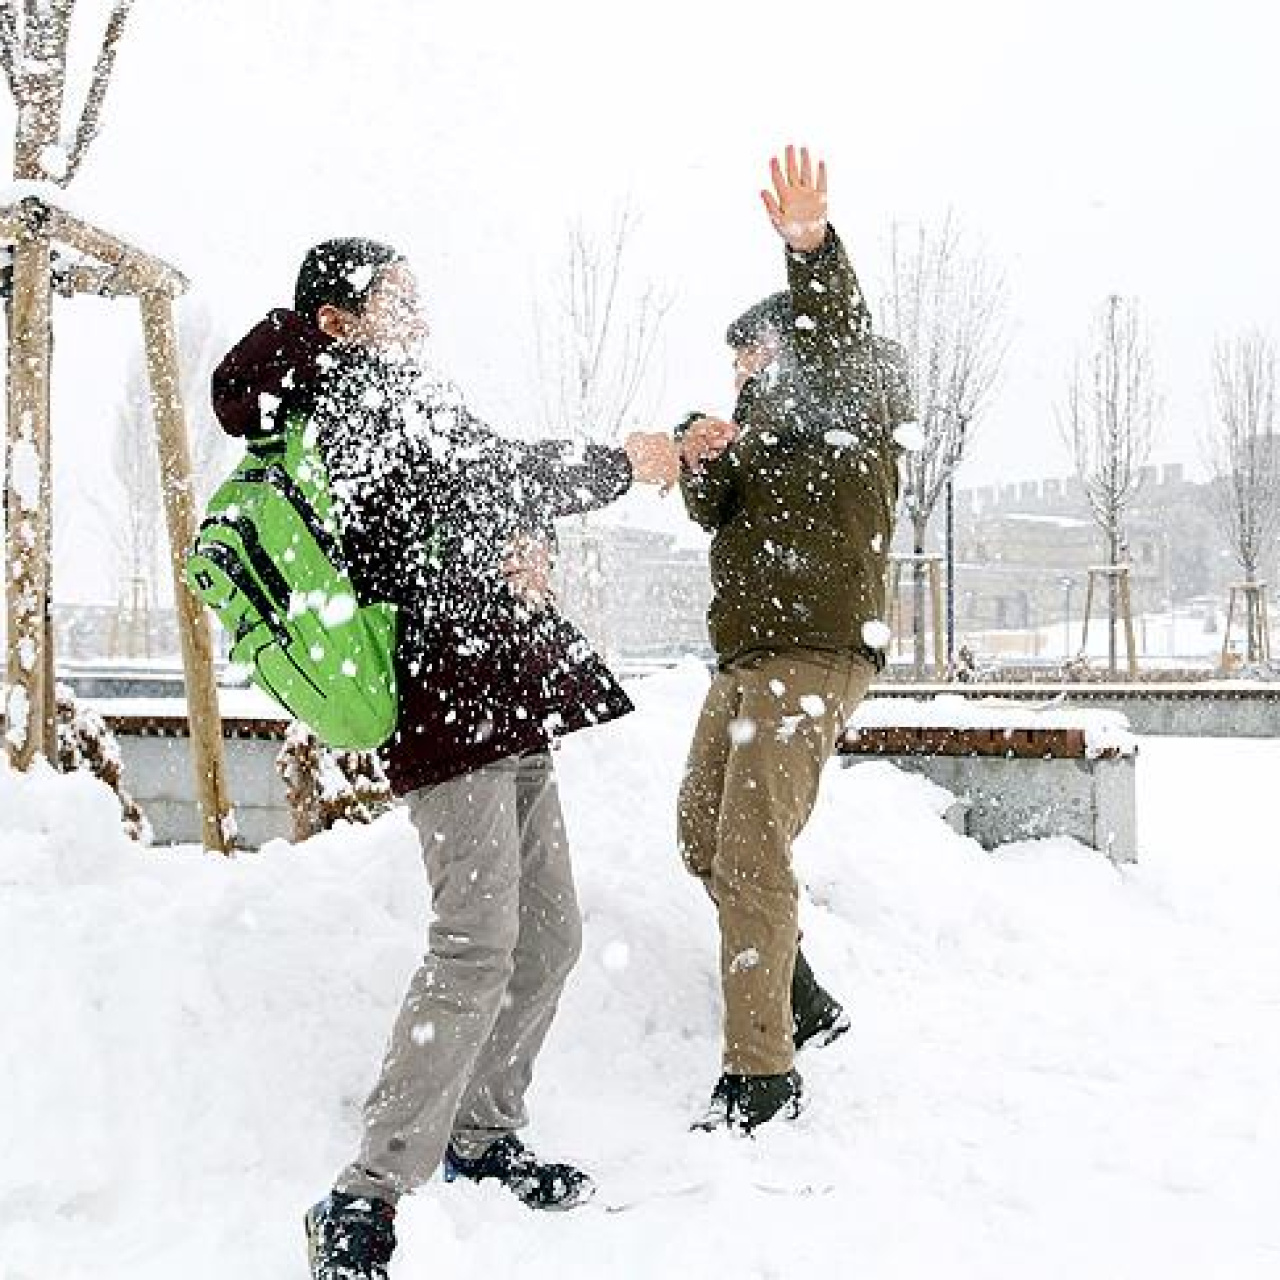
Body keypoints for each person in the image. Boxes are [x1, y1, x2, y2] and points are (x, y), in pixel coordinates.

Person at [211, 238, 678, 1280]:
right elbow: (486, 473)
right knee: (475, 942)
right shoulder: (347, 395)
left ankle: (481, 1132)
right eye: (397, 299)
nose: (419, 315)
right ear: (339, 319)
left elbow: (479, 491)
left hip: (501, 690)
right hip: (443, 700)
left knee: (549, 934)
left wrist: (532, 544)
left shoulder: (404, 390)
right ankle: (363, 1193)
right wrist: (621, 463)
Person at [674, 147, 913, 1132]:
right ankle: (798, 991)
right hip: (746, 657)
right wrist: (696, 450)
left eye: (751, 353)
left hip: (811, 653)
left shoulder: (850, 399)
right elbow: (712, 509)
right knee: (700, 832)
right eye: (732, 360)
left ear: (791, 344)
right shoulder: (757, 437)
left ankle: (761, 1074)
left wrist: (809, 248)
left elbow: (838, 327)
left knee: (749, 850)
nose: (739, 370)